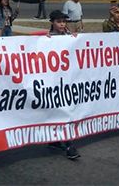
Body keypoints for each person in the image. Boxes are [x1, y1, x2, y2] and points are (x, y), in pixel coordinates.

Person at [46, 10, 80, 160]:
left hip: (67, 81)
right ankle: (68, 145)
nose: (62, 24)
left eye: (64, 21)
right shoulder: (47, 38)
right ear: (52, 23)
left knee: (63, 110)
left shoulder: (68, 37)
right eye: (59, 21)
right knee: (60, 111)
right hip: (53, 81)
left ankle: (57, 141)